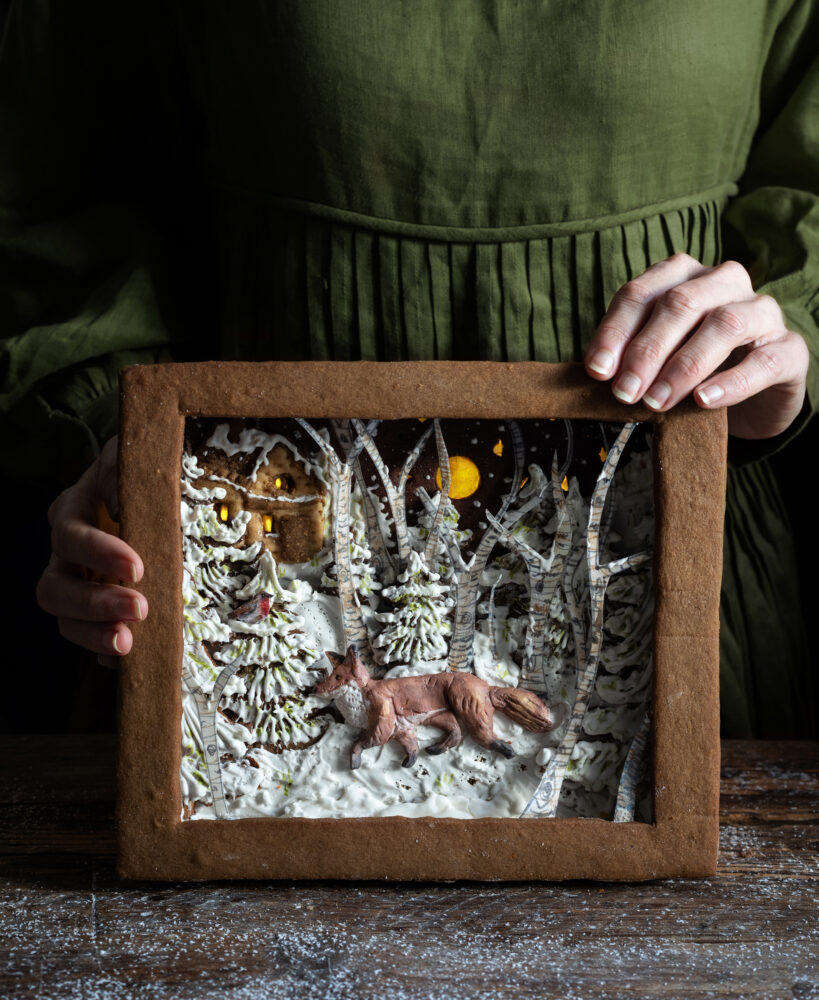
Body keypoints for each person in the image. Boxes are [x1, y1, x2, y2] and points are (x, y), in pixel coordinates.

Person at [4, 2, 816, 736]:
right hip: (253, 574)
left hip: (675, 583)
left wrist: (784, 338)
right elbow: (69, 192)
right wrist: (123, 455)